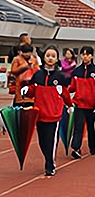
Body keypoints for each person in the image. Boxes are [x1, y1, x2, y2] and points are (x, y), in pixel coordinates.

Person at [22, 46, 72, 176]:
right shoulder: (37, 75)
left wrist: (69, 105)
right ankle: (48, 158)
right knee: (42, 141)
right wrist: (27, 90)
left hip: (54, 115)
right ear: (44, 57)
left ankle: (50, 164)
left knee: (51, 140)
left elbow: (65, 93)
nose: (50, 58)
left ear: (56, 59)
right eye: (48, 55)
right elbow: (33, 90)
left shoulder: (59, 77)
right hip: (39, 114)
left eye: (53, 56)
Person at [69, 46, 95, 159]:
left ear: (92, 56)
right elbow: (72, 87)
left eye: (88, 54)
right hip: (79, 104)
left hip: (92, 105)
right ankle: (76, 148)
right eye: (83, 54)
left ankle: (92, 146)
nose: (86, 57)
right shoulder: (76, 72)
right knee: (78, 127)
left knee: (91, 126)